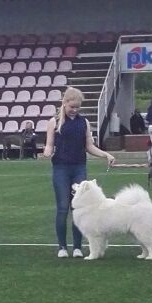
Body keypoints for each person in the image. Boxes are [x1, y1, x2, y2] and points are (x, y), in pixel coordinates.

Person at [43, 87, 115, 258]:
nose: (74, 110)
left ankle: (77, 247)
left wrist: (105, 154)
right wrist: (46, 152)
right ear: (65, 103)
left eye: (77, 107)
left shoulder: (84, 122)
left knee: (80, 208)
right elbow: (49, 144)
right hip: (61, 168)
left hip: (79, 167)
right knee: (62, 207)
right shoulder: (54, 122)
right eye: (71, 107)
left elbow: (89, 146)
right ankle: (62, 247)